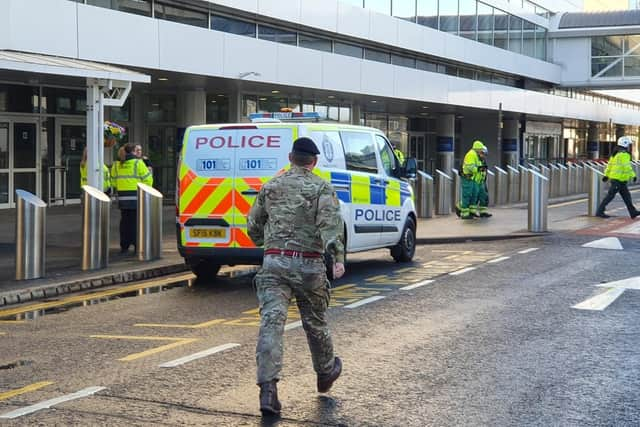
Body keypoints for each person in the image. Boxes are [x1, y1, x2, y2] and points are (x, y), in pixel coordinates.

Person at [247, 136, 345, 416]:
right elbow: (330, 227)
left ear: (290, 158)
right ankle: (326, 372)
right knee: (314, 322)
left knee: (271, 323)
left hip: (274, 263)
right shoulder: (321, 188)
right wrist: (337, 259)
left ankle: (268, 389)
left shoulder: (271, 186)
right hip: (309, 265)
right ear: (313, 162)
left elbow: (253, 226)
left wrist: (269, 245)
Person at [111, 143, 153, 253]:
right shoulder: (138, 163)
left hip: (122, 198)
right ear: (133, 151)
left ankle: (124, 246)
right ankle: (136, 245)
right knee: (135, 222)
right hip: (136, 197)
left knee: (124, 222)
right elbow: (148, 180)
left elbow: (113, 182)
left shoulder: (116, 165)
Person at [595, 136, 640, 219]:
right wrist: (633, 175)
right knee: (610, 196)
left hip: (620, 180)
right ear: (625, 144)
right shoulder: (624, 155)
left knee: (627, 197)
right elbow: (626, 167)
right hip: (618, 180)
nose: (630, 146)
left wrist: (606, 175)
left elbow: (609, 166)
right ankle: (599, 211)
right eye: (629, 144)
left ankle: (633, 212)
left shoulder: (615, 154)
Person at [456, 140, 485, 220]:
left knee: (473, 195)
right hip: (467, 178)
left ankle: (471, 212)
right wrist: (478, 169)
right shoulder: (471, 154)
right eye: (481, 149)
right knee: (467, 195)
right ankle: (464, 213)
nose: (482, 151)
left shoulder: (475, 155)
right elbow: (470, 167)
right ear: (478, 149)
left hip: (472, 179)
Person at [475, 146, 492, 218]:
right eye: (483, 153)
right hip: (476, 181)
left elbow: (484, 170)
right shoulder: (476, 159)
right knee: (474, 197)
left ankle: (483, 212)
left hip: (482, 180)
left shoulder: (483, 160)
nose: (484, 155)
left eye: (484, 154)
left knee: (484, 197)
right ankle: (461, 208)